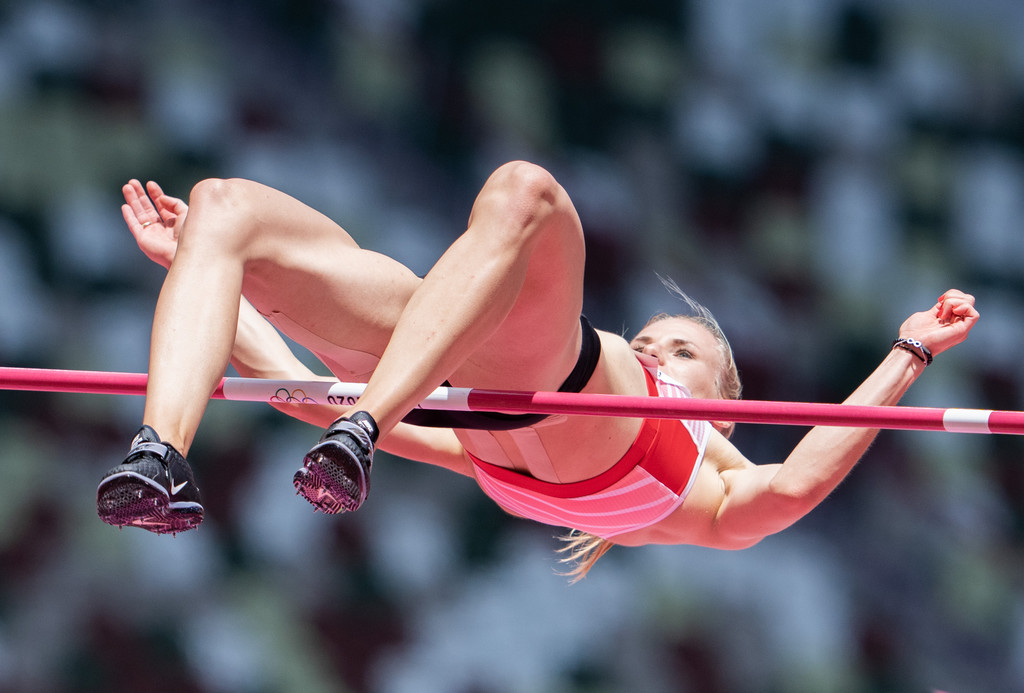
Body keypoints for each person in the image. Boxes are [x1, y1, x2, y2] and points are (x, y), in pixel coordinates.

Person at [97, 161, 979, 579]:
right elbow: (294, 389)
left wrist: (906, 352)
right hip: (451, 369)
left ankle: (368, 422)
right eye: (652, 340)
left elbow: (794, 485)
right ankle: (158, 456)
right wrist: (199, 270)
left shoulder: (707, 493)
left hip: (489, 388)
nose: (655, 351)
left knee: (526, 189)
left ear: (720, 411)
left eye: (682, 354)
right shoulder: (491, 450)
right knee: (220, 210)